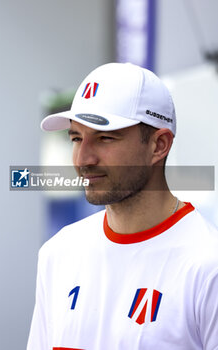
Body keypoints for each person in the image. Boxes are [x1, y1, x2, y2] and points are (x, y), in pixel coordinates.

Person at [27, 63, 218, 350]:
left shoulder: (207, 265)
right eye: (76, 138)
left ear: (159, 145)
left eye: (105, 138)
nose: (83, 159)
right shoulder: (58, 253)